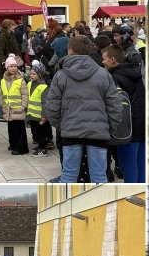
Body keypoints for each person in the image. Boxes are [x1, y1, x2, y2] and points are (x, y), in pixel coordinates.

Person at [45, 36, 123, 183]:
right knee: (99, 176)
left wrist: (62, 126)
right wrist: (109, 128)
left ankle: (68, 206)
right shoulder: (103, 74)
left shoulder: (60, 75)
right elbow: (115, 106)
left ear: (70, 50)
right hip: (98, 132)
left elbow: (52, 106)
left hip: (71, 131)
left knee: (68, 176)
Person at [102, 44, 146, 182]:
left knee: (128, 165)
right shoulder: (137, 72)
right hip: (143, 123)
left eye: (104, 59)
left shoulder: (114, 77)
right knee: (141, 163)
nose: (102, 62)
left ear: (113, 60)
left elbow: (115, 104)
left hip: (127, 127)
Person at [1, 55, 29, 155]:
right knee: (11, 128)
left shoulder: (20, 80)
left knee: (19, 129)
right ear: (7, 68)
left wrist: (23, 106)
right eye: (11, 66)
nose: (13, 68)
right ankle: (13, 144)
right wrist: (2, 104)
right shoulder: (3, 81)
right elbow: (2, 94)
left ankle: (21, 147)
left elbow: (25, 94)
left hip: (18, 109)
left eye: (15, 66)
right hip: (8, 109)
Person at [27, 62, 51, 157]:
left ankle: (43, 149)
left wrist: (44, 115)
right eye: (31, 73)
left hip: (39, 116)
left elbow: (45, 103)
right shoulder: (30, 84)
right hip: (32, 114)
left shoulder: (43, 87)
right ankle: (40, 146)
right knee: (36, 133)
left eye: (34, 74)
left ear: (40, 75)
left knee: (41, 133)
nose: (31, 75)